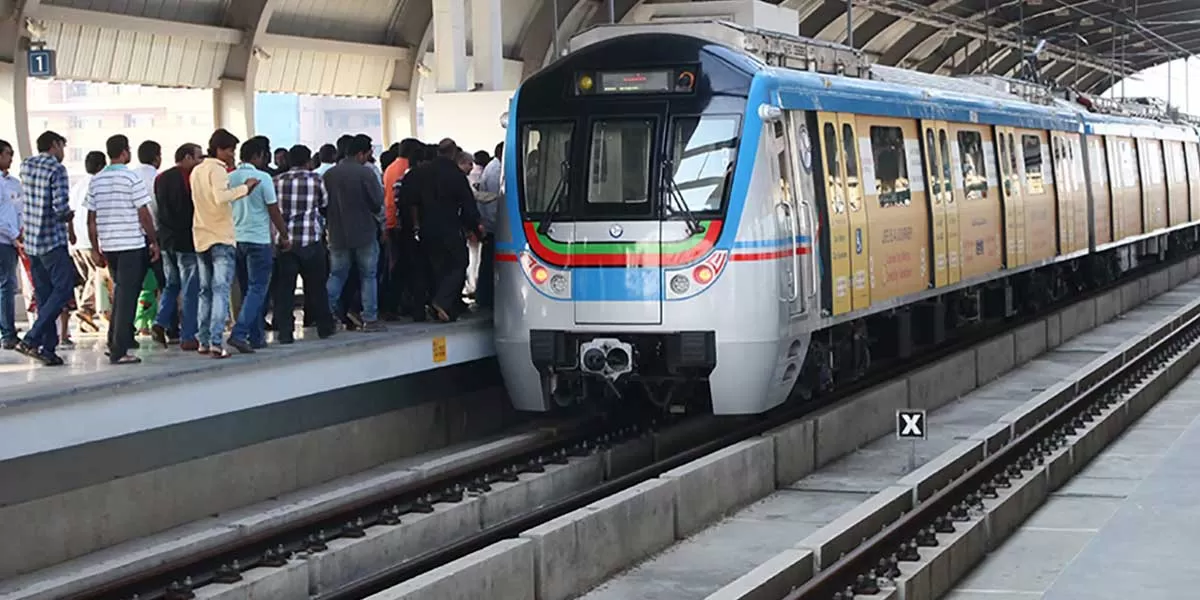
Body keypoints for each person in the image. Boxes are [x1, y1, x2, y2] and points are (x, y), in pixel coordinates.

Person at [85, 134, 158, 365]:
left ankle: (114, 340)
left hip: (110, 246)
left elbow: (91, 219)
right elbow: (143, 213)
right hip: (131, 244)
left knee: (120, 293)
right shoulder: (131, 177)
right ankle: (119, 350)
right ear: (125, 152)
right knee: (127, 297)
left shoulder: (96, 180)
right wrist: (153, 240)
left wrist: (95, 248)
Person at [191, 129, 258, 359]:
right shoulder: (218, 170)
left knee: (205, 292)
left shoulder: (197, 170)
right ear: (219, 149)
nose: (232, 155)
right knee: (220, 291)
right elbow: (221, 197)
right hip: (221, 237)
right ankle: (216, 342)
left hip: (201, 236)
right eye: (230, 150)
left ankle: (203, 340)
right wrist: (246, 188)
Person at [227, 137, 290, 352]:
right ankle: (239, 333)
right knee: (258, 290)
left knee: (248, 290)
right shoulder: (263, 178)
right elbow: (273, 210)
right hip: (258, 240)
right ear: (257, 156)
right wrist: (284, 235)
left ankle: (256, 337)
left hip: (237, 239)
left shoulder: (230, 178)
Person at [16, 131, 74, 365]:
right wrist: (68, 215)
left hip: (32, 243)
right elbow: (60, 208)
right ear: (54, 145)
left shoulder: (25, 165)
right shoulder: (57, 169)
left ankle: (47, 349)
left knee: (44, 296)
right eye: (62, 146)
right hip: (52, 242)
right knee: (63, 289)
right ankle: (32, 338)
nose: (63, 152)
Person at [323, 134, 386, 332]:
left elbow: (322, 205)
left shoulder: (329, 175)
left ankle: (326, 314)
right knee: (368, 275)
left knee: (336, 275)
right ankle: (370, 319)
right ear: (360, 154)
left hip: (337, 233)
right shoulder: (365, 173)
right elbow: (377, 202)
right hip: (364, 232)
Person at [273, 144, 335, 342]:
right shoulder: (316, 179)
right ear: (308, 161)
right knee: (317, 287)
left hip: (285, 241)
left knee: (285, 289)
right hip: (310, 240)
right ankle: (324, 327)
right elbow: (324, 203)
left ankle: (285, 332)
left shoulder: (277, 181)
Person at [417, 139, 482, 322]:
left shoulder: (423, 172)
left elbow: (411, 200)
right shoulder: (455, 175)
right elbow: (467, 205)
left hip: (426, 227)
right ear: (453, 153)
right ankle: (442, 301)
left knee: (437, 267)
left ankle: (440, 308)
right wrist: (474, 226)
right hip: (449, 226)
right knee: (459, 263)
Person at [152, 143, 203, 350]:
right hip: (186, 241)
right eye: (198, 157)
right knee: (190, 289)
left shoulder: (160, 178)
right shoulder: (189, 177)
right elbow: (189, 208)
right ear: (187, 157)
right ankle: (188, 335)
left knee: (171, 285)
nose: (200, 161)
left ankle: (160, 321)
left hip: (166, 241)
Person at [69, 150, 106, 334]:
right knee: (97, 277)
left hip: (76, 242)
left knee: (84, 281)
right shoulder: (99, 185)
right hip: (90, 241)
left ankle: (84, 322)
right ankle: (85, 311)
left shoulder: (77, 186)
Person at [132, 140, 163, 336]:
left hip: (133, 238)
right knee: (164, 283)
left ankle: (135, 325)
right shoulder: (158, 178)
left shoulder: (131, 176)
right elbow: (157, 210)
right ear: (157, 157)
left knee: (134, 284)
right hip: (155, 235)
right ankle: (164, 323)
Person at [0, 139, 20, 350]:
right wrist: (14, 235)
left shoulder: (14, 183)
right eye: (8, 153)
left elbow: (17, 210)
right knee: (6, 285)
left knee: (7, 286)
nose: (11, 158)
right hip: (4, 240)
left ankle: (6, 328)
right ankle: (7, 333)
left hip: (12, 240)